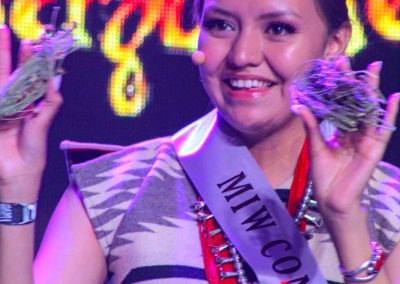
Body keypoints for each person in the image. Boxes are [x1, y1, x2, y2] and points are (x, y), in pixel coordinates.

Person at [0, 0, 399, 283]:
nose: (242, 54)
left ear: (334, 42)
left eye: (278, 29)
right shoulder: (111, 191)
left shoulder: (390, 204)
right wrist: (13, 189)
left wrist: (347, 223)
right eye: (221, 25)